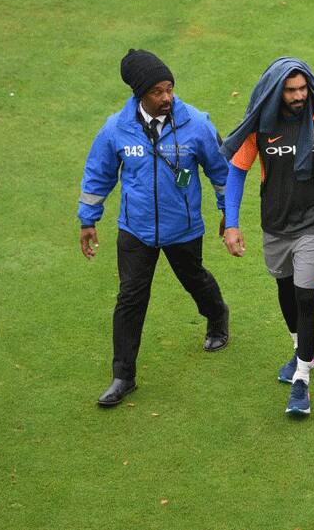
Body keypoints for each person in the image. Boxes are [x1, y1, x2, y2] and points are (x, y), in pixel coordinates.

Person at [78, 49, 231, 407]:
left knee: (194, 279)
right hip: (135, 230)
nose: (167, 98)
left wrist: (228, 213)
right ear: (139, 94)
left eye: (170, 89)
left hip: (184, 228)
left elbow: (221, 171)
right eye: (158, 92)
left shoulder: (197, 123)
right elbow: (98, 175)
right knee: (130, 297)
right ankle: (123, 376)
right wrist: (88, 219)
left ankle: (217, 315)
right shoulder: (116, 128)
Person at [219, 58, 314, 416]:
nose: (299, 96)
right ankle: (305, 352)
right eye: (291, 90)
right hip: (275, 224)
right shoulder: (262, 126)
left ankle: (301, 379)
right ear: (276, 91)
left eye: (303, 89)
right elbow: (237, 171)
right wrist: (231, 223)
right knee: (285, 289)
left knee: (306, 295)